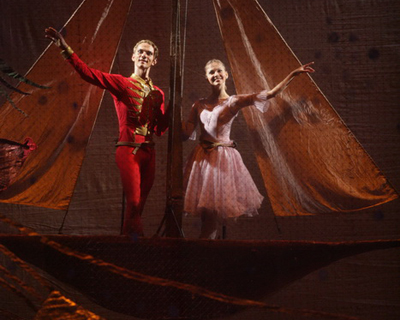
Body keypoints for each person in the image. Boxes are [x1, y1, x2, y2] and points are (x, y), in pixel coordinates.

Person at [45, 27, 168, 237]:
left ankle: (126, 246)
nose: (144, 55)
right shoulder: (122, 83)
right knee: (134, 201)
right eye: (141, 51)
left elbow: (159, 130)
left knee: (138, 207)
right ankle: (136, 247)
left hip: (150, 152)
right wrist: (64, 48)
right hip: (128, 150)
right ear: (133, 56)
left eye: (149, 53)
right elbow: (88, 74)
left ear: (154, 60)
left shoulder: (158, 93)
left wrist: (171, 112)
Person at [182, 59, 315, 239]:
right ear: (206, 77)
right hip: (202, 159)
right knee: (206, 215)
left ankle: (208, 251)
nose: (216, 75)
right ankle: (207, 250)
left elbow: (269, 94)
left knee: (212, 213)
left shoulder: (233, 101)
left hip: (221, 159)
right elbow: (186, 132)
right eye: (211, 72)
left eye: (219, 71)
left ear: (226, 75)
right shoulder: (198, 104)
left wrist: (293, 75)